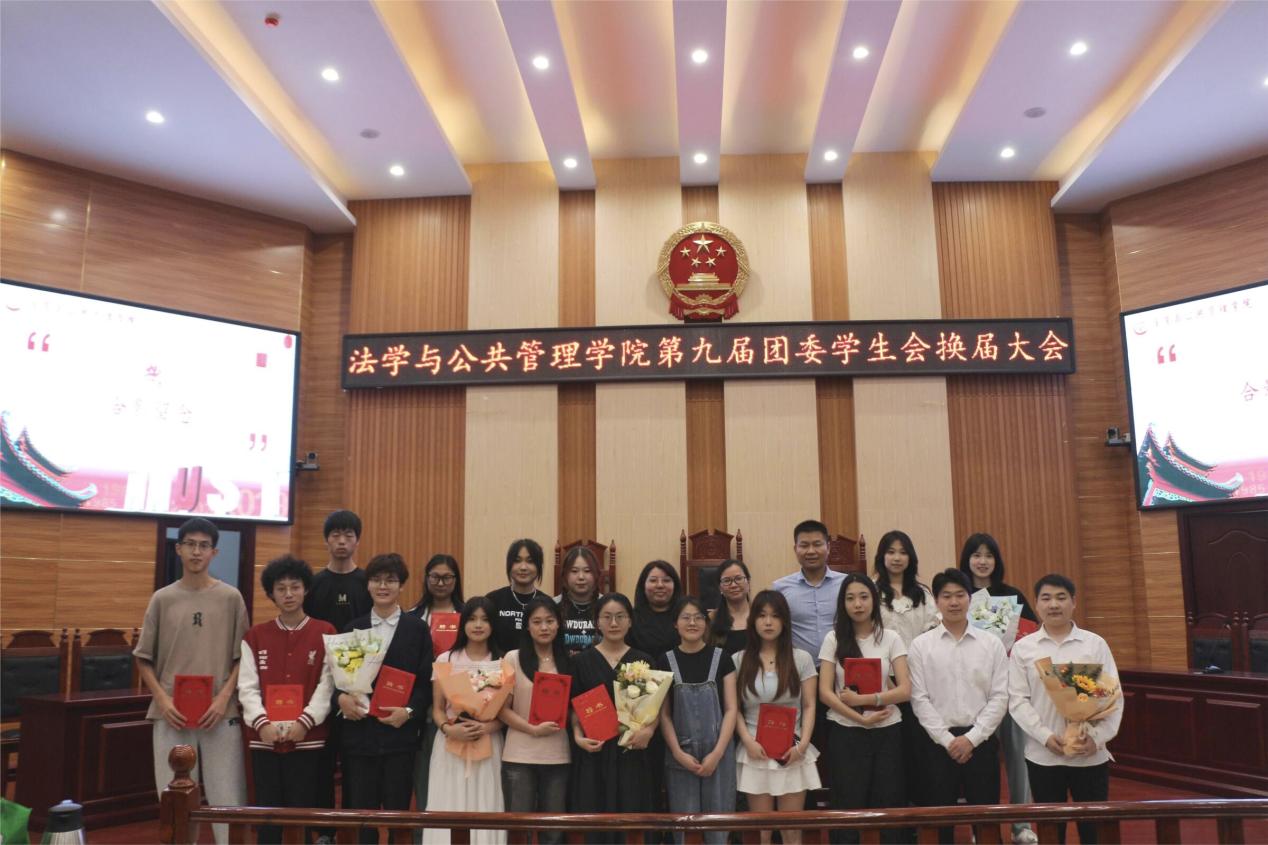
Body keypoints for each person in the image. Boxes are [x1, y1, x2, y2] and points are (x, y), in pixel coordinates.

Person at [134, 517, 248, 845]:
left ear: (214, 552)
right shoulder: (162, 599)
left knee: (228, 798)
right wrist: (163, 699)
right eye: (190, 545)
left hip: (220, 714)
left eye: (203, 546)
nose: (196, 552)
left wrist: (223, 698)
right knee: (175, 799)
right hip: (171, 714)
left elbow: (242, 658)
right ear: (178, 549)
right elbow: (143, 658)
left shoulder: (231, 598)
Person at [1009, 574, 1122, 845]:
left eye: (1061, 598)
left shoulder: (1094, 644)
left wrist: (1097, 739)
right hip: (1043, 756)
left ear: (1073, 602)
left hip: (1090, 756)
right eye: (1046, 598)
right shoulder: (1024, 648)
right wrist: (1045, 736)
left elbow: (1113, 698)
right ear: (1037, 604)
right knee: (1051, 832)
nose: (1054, 605)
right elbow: (1017, 700)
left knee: (1094, 832)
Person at [336, 553, 434, 845]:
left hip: (400, 738)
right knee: (362, 819)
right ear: (367, 585)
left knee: (398, 818)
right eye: (376, 580)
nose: (383, 586)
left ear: (401, 585)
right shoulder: (353, 629)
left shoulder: (417, 629)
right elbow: (340, 682)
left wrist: (409, 711)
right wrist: (341, 700)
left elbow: (425, 683)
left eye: (390, 580)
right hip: (360, 737)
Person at [238, 555, 336, 844]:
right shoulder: (255, 636)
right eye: (281, 588)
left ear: (306, 589)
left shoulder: (326, 632)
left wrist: (305, 721)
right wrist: (262, 724)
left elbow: (328, 684)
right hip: (264, 738)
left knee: (302, 813)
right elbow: (247, 687)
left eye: (295, 587)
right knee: (267, 814)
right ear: (271, 594)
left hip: (308, 737)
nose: (289, 594)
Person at [907, 569, 1009, 845]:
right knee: (940, 823)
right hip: (937, 744)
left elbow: (1000, 697)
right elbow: (919, 699)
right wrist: (947, 740)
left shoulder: (992, 644)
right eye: (946, 596)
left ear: (970, 599)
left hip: (981, 742)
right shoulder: (920, 646)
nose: (954, 602)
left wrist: (972, 738)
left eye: (960, 595)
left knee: (986, 822)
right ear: (936, 602)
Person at [958, 533, 1038, 845]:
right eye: (976, 555)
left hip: (1013, 689)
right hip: (975, 692)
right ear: (966, 559)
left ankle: (1022, 825)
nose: (982, 561)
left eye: (988, 555)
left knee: (1019, 758)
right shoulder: (960, 596)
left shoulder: (1012, 594)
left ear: (996, 560)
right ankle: (982, 828)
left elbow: (1033, 637)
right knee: (980, 764)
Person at [818, 573, 910, 845]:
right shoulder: (833, 639)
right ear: (842, 604)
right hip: (845, 731)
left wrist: (866, 700)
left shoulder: (891, 637)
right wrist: (860, 718)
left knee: (890, 803)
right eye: (850, 598)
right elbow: (825, 692)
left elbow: (905, 690)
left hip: (887, 730)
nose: (857, 604)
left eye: (863, 597)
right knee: (846, 804)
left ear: (874, 600)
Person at [732, 591, 820, 845]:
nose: (768, 622)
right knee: (762, 832)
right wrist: (747, 740)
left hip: (792, 751)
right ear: (753, 621)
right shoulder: (739, 660)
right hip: (754, 752)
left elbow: (809, 705)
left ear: (785, 621)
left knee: (792, 831)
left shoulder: (801, 658)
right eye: (762, 616)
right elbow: (733, 708)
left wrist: (803, 744)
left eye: (775, 616)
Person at [305, 509, 372, 838]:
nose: (342, 541)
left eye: (348, 535)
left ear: (357, 540)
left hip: (360, 685)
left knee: (356, 763)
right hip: (320, 685)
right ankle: (324, 832)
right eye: (336, 535)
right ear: (326, 540)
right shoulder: (314, 585)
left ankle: (353, 830)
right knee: (321, 762)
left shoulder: (367, 583)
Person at [571, 593, 657, 843]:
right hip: (594, 752)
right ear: (597, 622)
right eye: (607, 617)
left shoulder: (644, 661)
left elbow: (656, 707)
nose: (614, 623)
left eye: (620, 616)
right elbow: (574, 708)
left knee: (631, 819)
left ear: (630, 621)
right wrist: (577, 736)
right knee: (595, 821)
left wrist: (649, 731)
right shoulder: (580, 661)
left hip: (632, 753)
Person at [425, 597, 508, 845]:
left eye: (485, 619)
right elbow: (437, 709)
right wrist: (448, 729)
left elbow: (505, 714)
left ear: (493, 625)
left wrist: (485, 727)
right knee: (448, 801)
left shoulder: (503, 661)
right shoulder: (446, 660)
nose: (478, 625)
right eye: (472, 619)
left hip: (488, 743)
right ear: (463, 624)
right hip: (450, 744)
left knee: (486, 802)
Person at [658, 596, 738, 845]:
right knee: (684, 827)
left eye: (698, 618)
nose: (692, 623)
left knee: (719, 826)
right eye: (685, 618)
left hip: (719, 753)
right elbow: (664, 714)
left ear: (706, 623)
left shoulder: (722, 658)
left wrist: (717, 753)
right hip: (681, 754)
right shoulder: (665, 661)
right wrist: (677, 752)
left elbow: (731, 709)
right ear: (675, 623)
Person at [773, 519, 845, 783]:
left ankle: (838, 794)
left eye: (817, 544)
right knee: (803, 737)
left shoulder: (846, 585)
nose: (811, 551)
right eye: (804, 545)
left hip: (840, 674)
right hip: (799, 675)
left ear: (828, 546)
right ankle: (806, 798)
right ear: (795, 549)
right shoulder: (781, 588)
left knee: (839, 740)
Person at [873, 529, 936, 813]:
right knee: (891, 748)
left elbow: (932, 633)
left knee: (919, 746)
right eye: (891, 552)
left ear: (910, 557)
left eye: (902, 552)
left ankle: (920, 808)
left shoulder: (923, 594)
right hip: (884, 681)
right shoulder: (872, 592)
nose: (897, 558)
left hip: (920, 679)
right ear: (881, 557)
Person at [499, 598, 571, 845]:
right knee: (520, 830)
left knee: (554, 833)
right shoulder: (512, 658)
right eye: (537, 622)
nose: (544, 627)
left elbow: (574, 709)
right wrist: (532, 729)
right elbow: (501, 709)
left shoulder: (568, 661)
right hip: (519, 756)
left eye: (550, 621)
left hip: (558, 756)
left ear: (558, 624)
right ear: (527, 626)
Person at [406, 553, 465, 840]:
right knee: (424, 785)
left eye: (447, 577)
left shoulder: (468, 616)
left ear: (456, 580)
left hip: (460, 712)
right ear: (426, 579)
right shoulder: (412, 617)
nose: (441, 583)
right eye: (435, 577)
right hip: (422, 713)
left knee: (457, 786)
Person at [487, 539, 551, 655]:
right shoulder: (492, 600)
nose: (523, 567)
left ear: (538, 566)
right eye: (517, 561)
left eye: (530, 561)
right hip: (498, 664)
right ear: (509, 565)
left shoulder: (547, 603)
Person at [626, 560, 683, 657]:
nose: (660, 585)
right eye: (653, 580)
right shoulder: (630, 619)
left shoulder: (685, 617)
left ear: (675, 585)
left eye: (666, 580)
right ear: (643, 585)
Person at [556, 546, 602, 655]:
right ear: (565, 575)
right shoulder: (552, 606)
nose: (581, 577)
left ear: (596, 574)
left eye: (587, 571)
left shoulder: (606, 605)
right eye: (574, 571)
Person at [708, 559, 751, 656]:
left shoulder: (761, 615)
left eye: (738, 578)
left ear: (748, 582)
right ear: (720, 588)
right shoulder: (711, 620)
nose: (733, 585)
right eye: (727, 581)